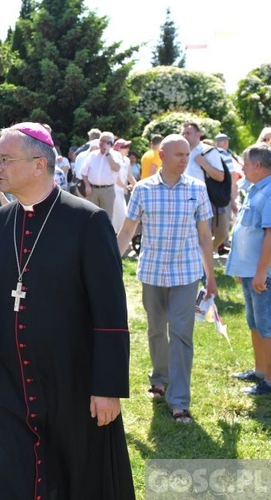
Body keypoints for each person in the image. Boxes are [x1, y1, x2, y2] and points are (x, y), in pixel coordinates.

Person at [0, 122, 134, 499]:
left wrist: (107, 387)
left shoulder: (87, 221)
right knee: (14, 471)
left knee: (76, 474)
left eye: (6, 160)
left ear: (39, 164)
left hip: (71, 378)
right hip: (9, 378)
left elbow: (110, 312)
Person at [117, 134, 217, 424]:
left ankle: (179, 401)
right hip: (152, 272)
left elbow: (204, 235)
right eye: (179, 155)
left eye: (187, 155)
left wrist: (210, 276)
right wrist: (111, 262)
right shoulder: (144, 190)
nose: (185, 160)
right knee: (156, 330)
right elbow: (127, 231)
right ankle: (159, 379)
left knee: (182, 335)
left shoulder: (197, 189)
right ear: (162, 155)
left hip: (186, 273)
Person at [226, 142, 271, 395]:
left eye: (245, 162)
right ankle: (261, 370)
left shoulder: (270, 191)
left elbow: (269, 236)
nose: (242, 167)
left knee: (267, 327)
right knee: (255, 324)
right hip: (250, 272)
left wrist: (261, 272)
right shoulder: (256, 188)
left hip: (261, 274)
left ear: (257, 165)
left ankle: (270, 380)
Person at [182, 122, 227, 252]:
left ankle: (204, 259)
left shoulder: (208, 151)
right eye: (183, 133)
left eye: (188, 133)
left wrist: (203, 163)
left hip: (205, 199)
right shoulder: (182, 152)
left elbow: (220, 176)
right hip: (185, 200)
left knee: (212, 235)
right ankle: (199, 260)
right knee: (191, 236)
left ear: (198, 135)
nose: (185, 136)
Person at [80, 131, 122, 219]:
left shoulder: (116, 155)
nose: (101, 143)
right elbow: (83, 172)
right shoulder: (92, 155)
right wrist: (87, 186)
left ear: (110, 143)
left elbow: (116, 168)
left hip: (107, 190)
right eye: (101, 140)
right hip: (92, 190)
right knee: (90, 216)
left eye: (104, 141)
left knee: (106, 217)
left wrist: (107, 154)